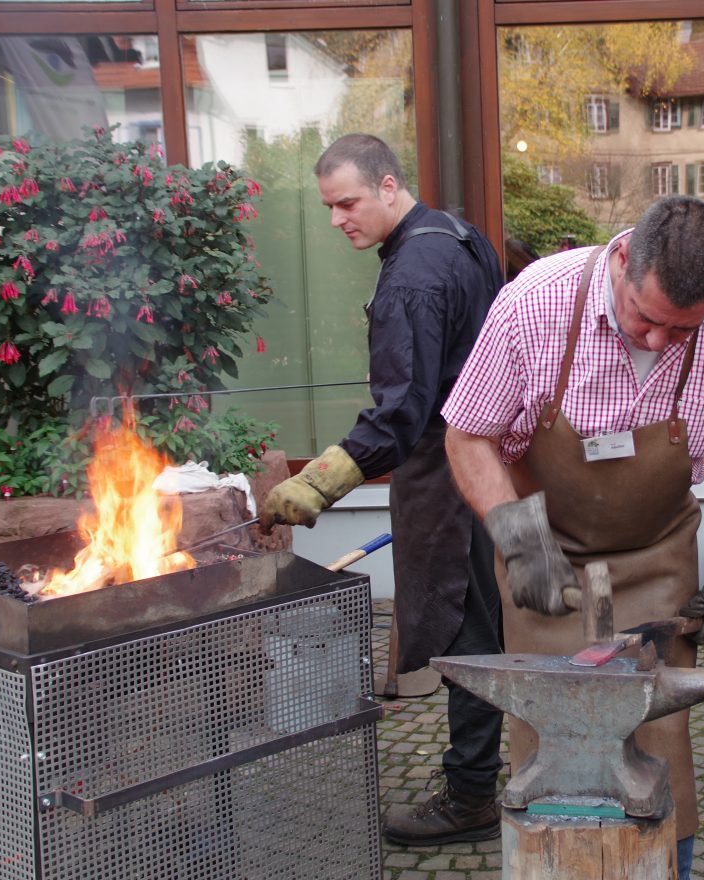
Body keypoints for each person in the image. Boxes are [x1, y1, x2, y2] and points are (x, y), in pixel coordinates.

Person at [440, 195, 704, 878]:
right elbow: (468, 435)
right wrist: (519, 540)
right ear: (621, 259)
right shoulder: (535, 304)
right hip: (545, 556)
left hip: (656, 558)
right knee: (553, 748)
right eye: (647, 318)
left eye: (683, 330)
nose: (661, 341)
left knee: (661, 752)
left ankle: (665, 868)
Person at [259, 133, 506, 847]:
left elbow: (401, 412)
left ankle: (470, 796)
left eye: (348, 202)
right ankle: (476, 778)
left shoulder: (411, 277)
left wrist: (319, 482)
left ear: (390, 186)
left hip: (447, 468)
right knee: (478, 621)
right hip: (483, 458)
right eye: (329, 207)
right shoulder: (459, 235)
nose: (338, 219)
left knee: (464, 629)